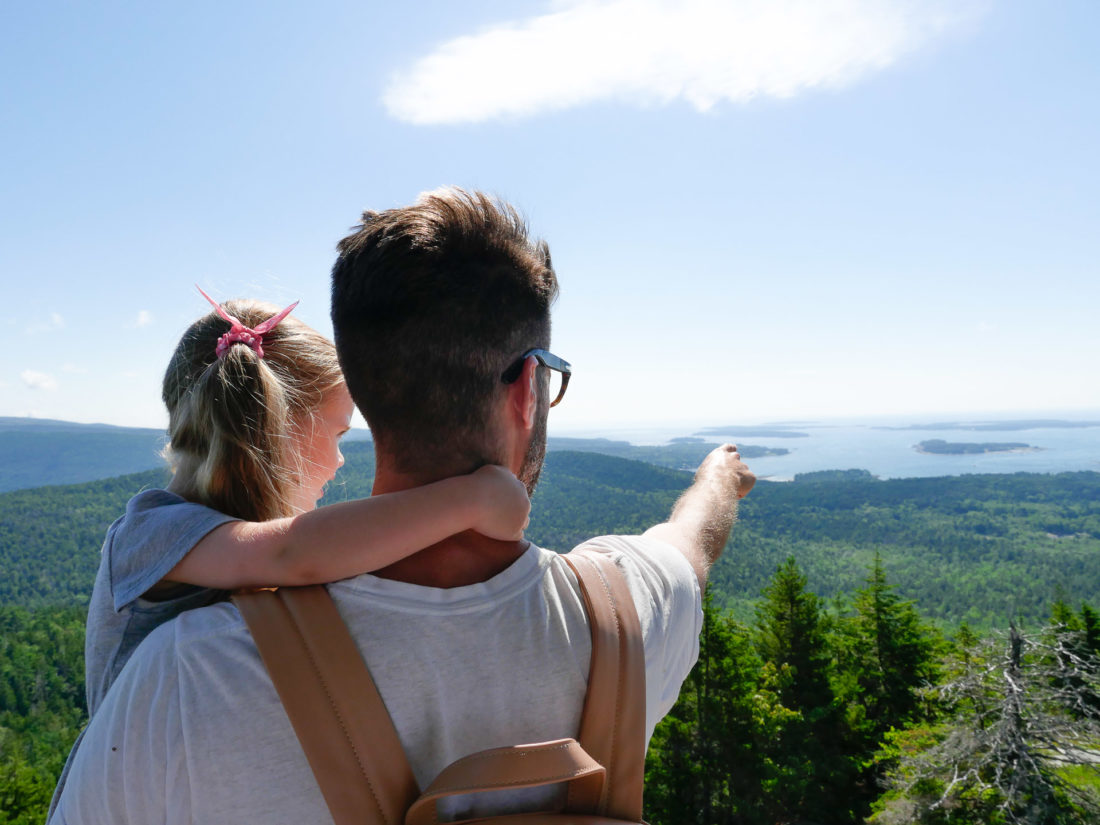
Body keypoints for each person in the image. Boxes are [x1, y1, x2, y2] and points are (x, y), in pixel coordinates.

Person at [49, 189, 755, 824]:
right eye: (333, 433)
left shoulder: (180, 681)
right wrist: (717, 480)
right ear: (524, 392)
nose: (340, 457)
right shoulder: (622, 616)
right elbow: (687, 549)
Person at [49, 288, 529, 813]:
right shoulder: (148, 533)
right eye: (339, 433)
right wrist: (475, 498)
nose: (342, 461)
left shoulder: (214, 537)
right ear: (278, 428)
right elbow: (290, 555)